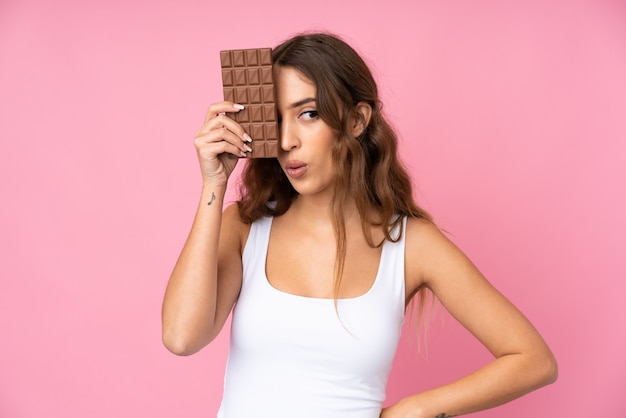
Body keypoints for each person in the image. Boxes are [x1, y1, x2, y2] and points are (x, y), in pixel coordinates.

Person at [161, 32, 557, 418]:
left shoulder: (410, 244)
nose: (286, 141)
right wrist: (214, 183)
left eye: (309, 114)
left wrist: (416, 410)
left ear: (356, 120)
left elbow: (533, 360)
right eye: (277, 119)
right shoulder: (245, 227)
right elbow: (181, 338)